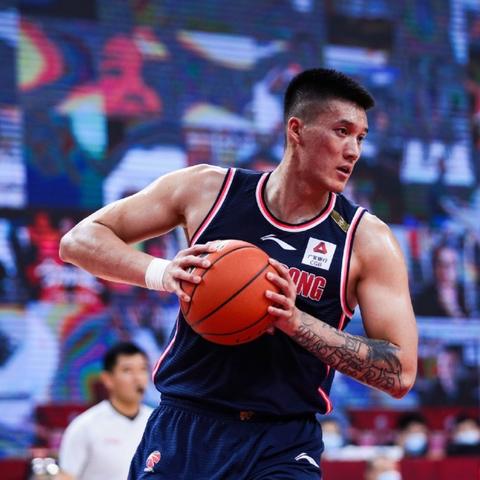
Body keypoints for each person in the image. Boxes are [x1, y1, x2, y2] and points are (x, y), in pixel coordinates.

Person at [59, 68, 418, 479]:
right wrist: (164, 272)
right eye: (342, 132)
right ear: (296, 130)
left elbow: (401, 372)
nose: (353, 151)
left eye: (361, 137)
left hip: (282, 442)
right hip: (186, 426)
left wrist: (296, 323)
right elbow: (78, 241)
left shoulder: (367, 241)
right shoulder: (208, 191)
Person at [58, 342, 153, 480]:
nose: (137, 378)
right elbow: (66, 476)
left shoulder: (157, 423)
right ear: (107, 379)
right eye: (127, 370)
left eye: (143, 369)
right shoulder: (85, 426)